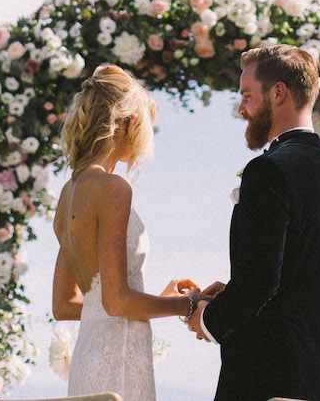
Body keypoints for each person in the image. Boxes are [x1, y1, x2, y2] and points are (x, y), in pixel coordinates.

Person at [188, 44, 320, 401]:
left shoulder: (268, 171)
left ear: (278, 92)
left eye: (247, 95)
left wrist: (205, 317)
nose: (242, 108)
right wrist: (234, 290)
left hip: (271, 382)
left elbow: (260, 283)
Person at [52, 65, 201, 401]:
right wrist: (186, 305)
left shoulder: (67, 194)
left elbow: (66, 304)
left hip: (90, 357)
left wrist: (155, 301)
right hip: (119, 360)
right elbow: (117, 301)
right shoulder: (113, 188)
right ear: (132, 122)